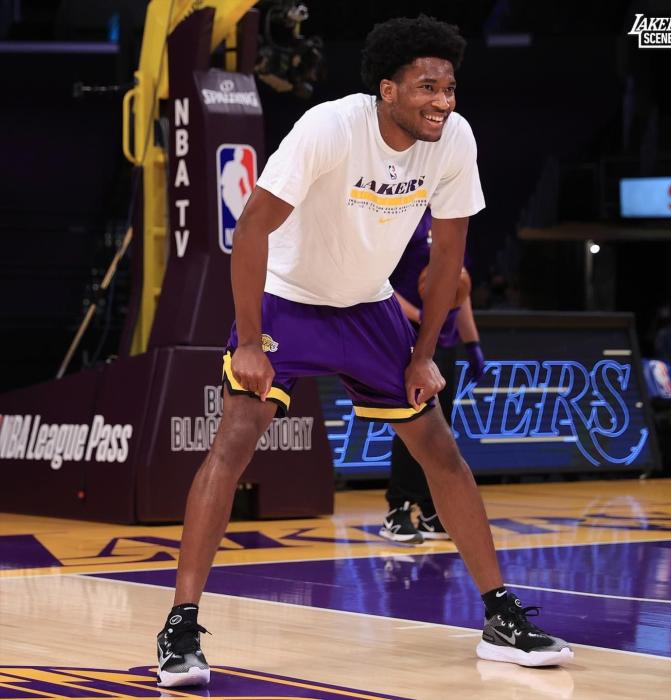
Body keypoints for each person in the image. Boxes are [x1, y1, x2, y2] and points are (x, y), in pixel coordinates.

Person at [155, 15, 573, 689]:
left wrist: (424, 353)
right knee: (234, 442)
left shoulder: (454, 139)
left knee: (441, 452)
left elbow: (449, 257)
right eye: (428, 87)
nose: (443, 101)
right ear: (388, 89)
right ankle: (180, 626)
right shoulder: (330, 128)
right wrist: (252, 340)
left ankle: (499, 615)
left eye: (450, 88)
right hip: (289, 299)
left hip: (368, 306)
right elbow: (252, 228)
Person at [380, 208, 485, 544]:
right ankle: (398, 510)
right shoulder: (403, 217)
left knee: (440, 430)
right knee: (414, 424)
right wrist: (421, 314)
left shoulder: (453, 222)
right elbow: (378, 281)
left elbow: (459, 289)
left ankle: (430, 510)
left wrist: (473, 344)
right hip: (409, 336)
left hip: (445, 341)